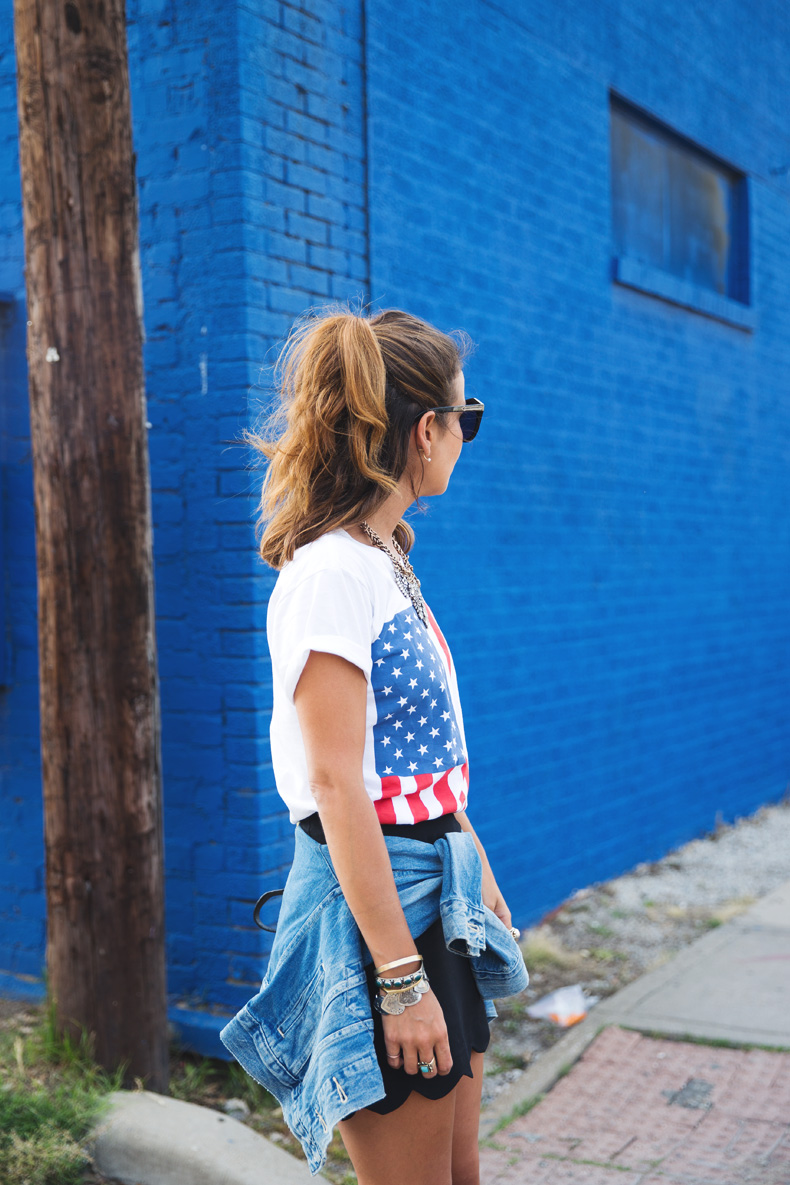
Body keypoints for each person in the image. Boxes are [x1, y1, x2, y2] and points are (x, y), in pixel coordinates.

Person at [221, 305, 527, 1185]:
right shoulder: (330, 574)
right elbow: (338, 787)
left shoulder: (385, 552)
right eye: (466, 419)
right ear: (425, 430)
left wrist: (479, 863)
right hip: (379, 919)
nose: (467, 437)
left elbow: (414, 762)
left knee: (458, 1172)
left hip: (436, 897)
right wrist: (399, 981)